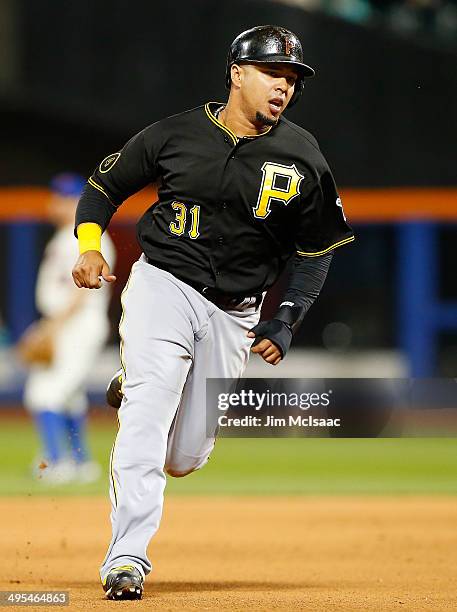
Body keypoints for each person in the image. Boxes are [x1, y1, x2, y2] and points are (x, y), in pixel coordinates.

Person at [71, 25, 354, 600]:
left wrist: (287, 318)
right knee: (148, 417)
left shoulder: (302, 155)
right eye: (274, 73)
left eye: (292, 79)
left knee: (185, 455)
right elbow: (103, 186)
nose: (284, 87)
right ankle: (126, 557)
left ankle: (142, 377)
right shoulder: (175, 134)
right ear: (238, 73)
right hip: (164, 287)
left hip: (237, 312)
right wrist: (89, 245)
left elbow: (315, 250)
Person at [23, 173, 116, 484]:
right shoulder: (63, 237)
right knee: (69, 396)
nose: (56, 203)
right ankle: (82, 462)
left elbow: (82, 292)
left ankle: (57, 461)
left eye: (64, 197)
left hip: (77, 325)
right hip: (64, 324)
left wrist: (50, 327)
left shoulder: (90, 239)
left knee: (43, 394)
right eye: (56, 196)